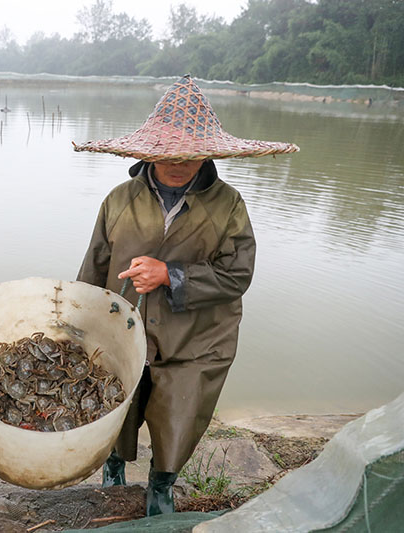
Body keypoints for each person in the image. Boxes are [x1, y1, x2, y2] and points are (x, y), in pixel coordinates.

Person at [73, 75, 298, 516]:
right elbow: (94, 268)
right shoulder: (118, 200)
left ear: (208, 153)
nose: (178, 164)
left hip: (199, 336)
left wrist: (170, 275)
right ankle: (114, 469)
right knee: (119, 404)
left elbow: (238, 274)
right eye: (168, 154)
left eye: (191, 155)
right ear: (149, 152)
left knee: (180, 416)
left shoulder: (228, 204)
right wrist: (79, 327)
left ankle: (162, 484)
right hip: (129, 328)